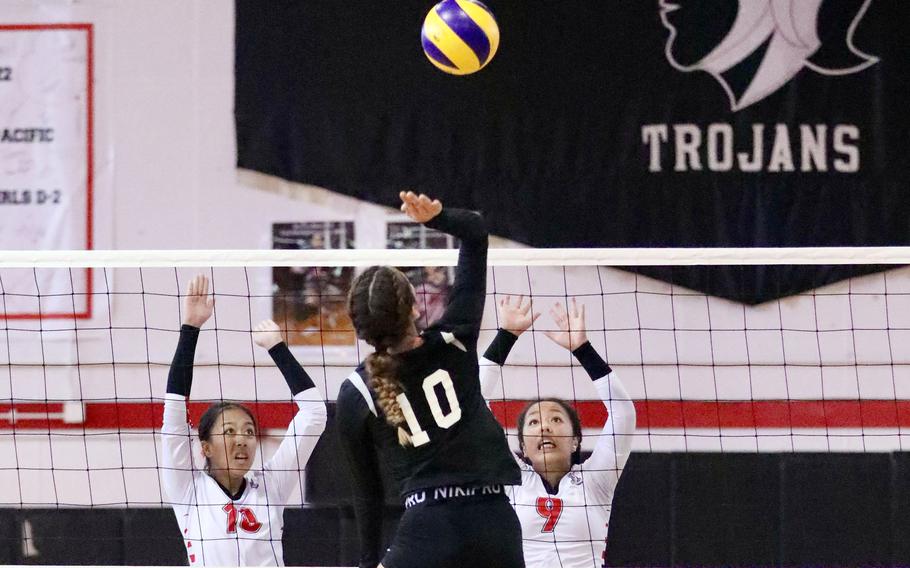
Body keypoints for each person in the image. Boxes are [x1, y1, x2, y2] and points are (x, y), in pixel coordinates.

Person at [336, 191, 524, 568]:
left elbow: (367, 493)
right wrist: (437, 217)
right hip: (495, 522)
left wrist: (368, 562)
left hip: (428, 528)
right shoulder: (456, 339)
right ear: (415, 306)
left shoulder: (357, 392)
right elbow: (475, 232)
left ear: (359, 329)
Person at [160, 274, 328, 566]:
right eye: (229, 431)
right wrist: (190, 328)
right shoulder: (188, 489)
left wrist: (278, 348)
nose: (242, 439)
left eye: (249, 431)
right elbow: (174, 412)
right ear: (205, 447)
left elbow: (314, 414)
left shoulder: (272, 484)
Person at [482, 296, 636, 568]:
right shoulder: (511, 481)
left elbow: (623, 413)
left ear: (575, 440)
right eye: (533, 423)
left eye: (556, 419)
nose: (544, 426)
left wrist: (583, 349)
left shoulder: (595, 482)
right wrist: (505, 336)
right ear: (522, 446)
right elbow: (473, 402)